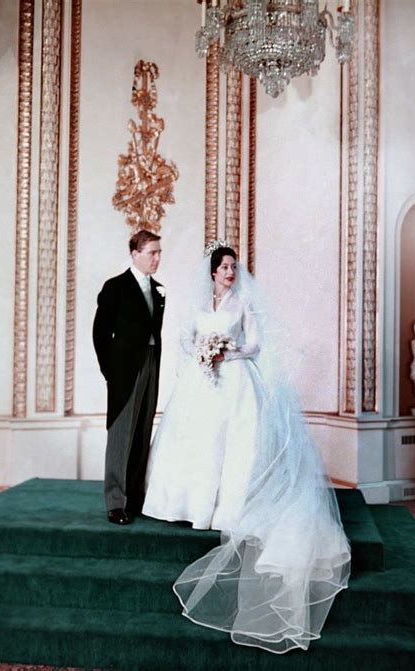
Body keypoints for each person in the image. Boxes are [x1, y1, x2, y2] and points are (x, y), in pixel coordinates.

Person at [142, 241, 350, 654]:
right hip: (202, 383)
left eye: (234, 267)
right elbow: (185, 336)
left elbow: (255, 344)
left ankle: (228, 507)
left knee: (235, 445)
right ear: (213, 272)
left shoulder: (243, 303)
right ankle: (190, 506)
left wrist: (228, 350)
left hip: (235, 380)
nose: (231, 272)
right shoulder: (200, 302)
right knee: (196, 443)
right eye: (225, 267)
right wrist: (201, 351)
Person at [93, 229, 164, 525]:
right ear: (135, 254)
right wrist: (112, 372)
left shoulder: (159, 289)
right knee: (121, 435)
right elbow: (100, 333)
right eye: (152, 253)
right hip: (124, 371)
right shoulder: (115, 287)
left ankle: (134, 498)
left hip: (150, 364)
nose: (157, 259)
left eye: (159, 253)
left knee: (142, 430)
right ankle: (115, 502)